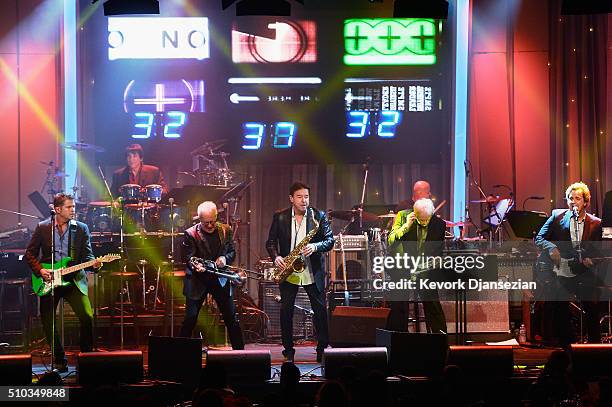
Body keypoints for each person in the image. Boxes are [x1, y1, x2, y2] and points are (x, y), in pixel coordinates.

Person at [25, 193, 100, 372]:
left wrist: (94, 264)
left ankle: (86, 359)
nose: (73, 210)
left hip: (73, 279)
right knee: (47, 320)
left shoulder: (81, 228)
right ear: (57, 209)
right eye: (69, 207)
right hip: (49, 280)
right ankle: (59, 359)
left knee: (87, 317)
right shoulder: (43, 227)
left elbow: (88, 255)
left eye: (73, 207)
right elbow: (30, 254)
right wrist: (41, 271)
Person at [266, 182, 334, 363]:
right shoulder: (279, 217)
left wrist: (315, 245)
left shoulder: (318, 216)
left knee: (320, 311)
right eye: (299, 197)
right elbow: (270, 242)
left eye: (306, 197)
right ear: (291, 199)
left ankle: (322, 348)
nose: (304, 201)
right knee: (286, 311)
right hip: (289, 270)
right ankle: (288, 349)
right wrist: (276, 257)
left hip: (312, 270)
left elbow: (330, 241)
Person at [535, 181, 603, 345]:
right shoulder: (557, 216)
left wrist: (591, 261)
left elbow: (599, 252)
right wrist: (551, 247)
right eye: (570, 198)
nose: (573, 201)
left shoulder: (596, 223)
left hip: (584, 273)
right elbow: (539, 238)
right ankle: (568, 345)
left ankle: (595, 348)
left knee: (593, 307)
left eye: (577, 198)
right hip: (563, 271)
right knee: (560, 307)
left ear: (585, 202)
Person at [179, 201, 244, 349]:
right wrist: (197, 266)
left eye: (212, 222)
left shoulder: (225, 230)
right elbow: (188, 258)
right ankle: (180, 355)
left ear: (217, 217)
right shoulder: (190, 234)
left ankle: (241, 355)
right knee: (190, 319)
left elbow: (232, 252)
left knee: (231, 319)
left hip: (220, 278)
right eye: (206, 222)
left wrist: (224, 258)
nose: (209, 225)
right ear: (199, 219)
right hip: (198, 280)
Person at [386, 181, 447, 334]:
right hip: (403, 268)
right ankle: (397, 340)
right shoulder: (403, 216)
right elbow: (391, 241)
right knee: (398, 302)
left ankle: (440, 341)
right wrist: (406, 227)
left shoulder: (439, 225)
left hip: (424, 270)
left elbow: (436, 253)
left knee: (432, 302)